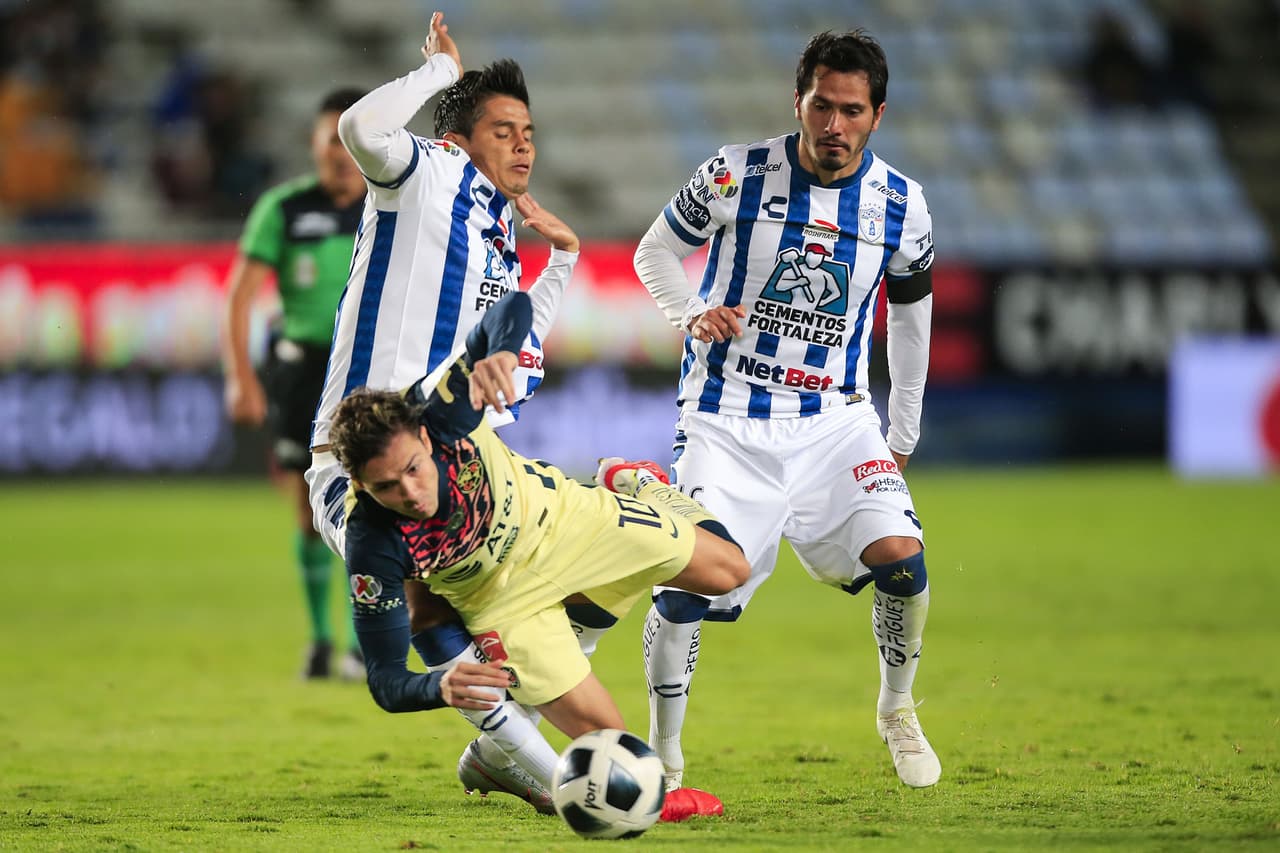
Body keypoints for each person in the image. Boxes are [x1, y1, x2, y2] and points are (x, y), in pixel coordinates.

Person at [300, 12, 595, 816]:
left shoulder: (501, 236)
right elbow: (361, 125)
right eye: (503, 130)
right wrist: (438, 73)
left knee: (560, 588)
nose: (525, 146)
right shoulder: (424, 173)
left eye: (529, 131)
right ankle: (562, 782)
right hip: (365, 467)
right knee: (429, 601)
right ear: (460, 139)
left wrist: (562, 262)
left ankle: (517, 757)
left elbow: (518, 361)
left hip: (455, 468)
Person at [632, 30, 941, 792]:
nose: (834, 125)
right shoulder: (735, 174)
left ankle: (897, 708)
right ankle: (665, 756)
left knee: (904, 560)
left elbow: (911, 321)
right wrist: (692, 310)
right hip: (724, 413)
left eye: (852, 111)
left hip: (836, 419)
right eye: (822, 106)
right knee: (687, 586)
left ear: (877, 115)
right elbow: (653, 253)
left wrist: (902, 433)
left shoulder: (901, 204)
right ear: (796, 100)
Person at [327, 290, 750, 743]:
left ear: (425, 442)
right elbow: (386, 680)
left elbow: (513, 306)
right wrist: (437, 686)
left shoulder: (441, 411)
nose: (410, 493)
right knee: (614, 750)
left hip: (568, 520)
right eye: (387, 487)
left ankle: (641, 484)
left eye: (412, 469)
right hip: (505, 605)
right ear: (359, 486)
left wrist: (500, 352)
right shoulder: (369, 539)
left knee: (731, 571)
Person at [222, 87, 367, 681]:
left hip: (365, 372)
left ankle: (364, 646)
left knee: (371, 505)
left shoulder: (391, 206)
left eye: (346, 141)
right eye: (327, 139)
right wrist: (241, 377)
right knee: (309, 512)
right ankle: (319, 640)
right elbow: (240, 296)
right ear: (312, 144)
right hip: (302, 370)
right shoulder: (284, 208)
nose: (337, 153)